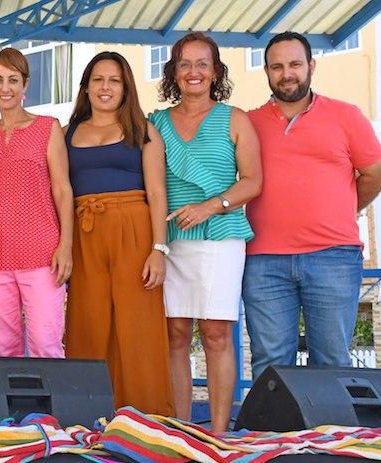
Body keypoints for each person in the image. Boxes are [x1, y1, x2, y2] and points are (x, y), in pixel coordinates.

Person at [243, 32, 381, 380]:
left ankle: (332, 436)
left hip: (333, 257)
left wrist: (342, 208)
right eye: (277, 66)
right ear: (266, 71)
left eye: (295, 64)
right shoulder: (247, 122)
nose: (286, 73)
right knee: (270, 364)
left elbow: (377, 174)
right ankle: (273, 435)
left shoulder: (346, 116)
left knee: (332, 361)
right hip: (263, 261)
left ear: (311, 66)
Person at [149, 32, 261, 433]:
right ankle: (181, 429)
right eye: (184, 64)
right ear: (173, 72)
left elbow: (252, 181)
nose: (193, 72)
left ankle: (217, 432)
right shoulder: (155, 123)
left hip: (221, 237)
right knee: (174, 335)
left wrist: (208, 207)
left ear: (215, 71)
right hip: (170, 241)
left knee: (215, 335)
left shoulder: (236, 119)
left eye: (202, 64)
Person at [63, 51, 174, 416]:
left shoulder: (144, 129)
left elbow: (158, 192)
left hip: (133, 229)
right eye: (98, 80)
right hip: (84, 233)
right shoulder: (67, 133)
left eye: (114, 80)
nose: (105, 87)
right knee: (87, 323)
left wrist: (159, 248)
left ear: (125, 87)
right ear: (86, 87)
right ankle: (88, 416)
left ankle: (147, 420)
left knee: (138, 326)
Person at [0, 48, 72, 358]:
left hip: (42, 256)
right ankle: (14, 410)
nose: (6, 88)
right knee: (5, 349)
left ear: (25, 84)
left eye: (13, 80)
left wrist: (65, 245)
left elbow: (62, 190)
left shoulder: (48, 127)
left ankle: (53, 410)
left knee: (46, 344)